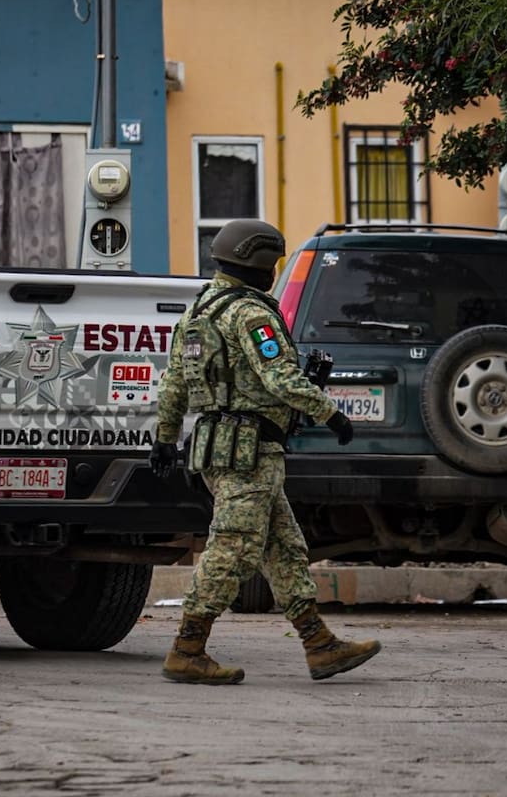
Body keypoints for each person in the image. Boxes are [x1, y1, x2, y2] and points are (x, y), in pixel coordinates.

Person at [149, 218, 380, 685]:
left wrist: (164, 439)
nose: (273, 272)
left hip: (220, 448)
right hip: (249, 452)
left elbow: (173, 383)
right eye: (272, 264)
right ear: (258, 263)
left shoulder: (197, 314)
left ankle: (319, 644)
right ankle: (187, 648)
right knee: (234, 547)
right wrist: (330, 414)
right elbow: (281, 378)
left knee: (283, 547)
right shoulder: (250, 314)